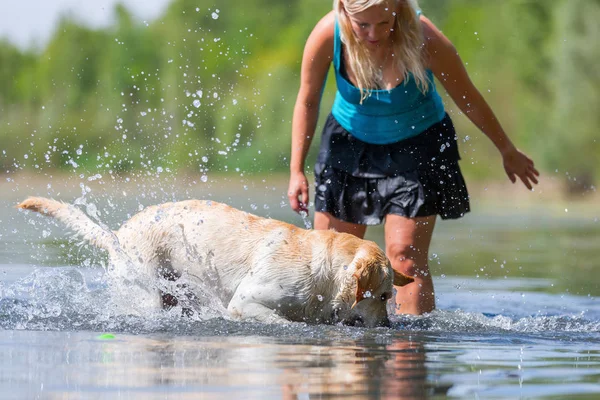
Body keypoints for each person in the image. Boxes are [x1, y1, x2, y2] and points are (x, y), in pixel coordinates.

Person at [287, 0, 539, 315]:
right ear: (343, 10)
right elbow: (308, 101)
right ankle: (332, 346)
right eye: (362, 25)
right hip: (349, 146)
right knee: (331, 257)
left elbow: (469, 99)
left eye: (383, 23)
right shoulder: (328, 33)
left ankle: (409, 350)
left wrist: (506, 149)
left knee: (405, 255)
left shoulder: (426, 39)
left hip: (417, 148)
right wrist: (296, 169)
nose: (373, 34)